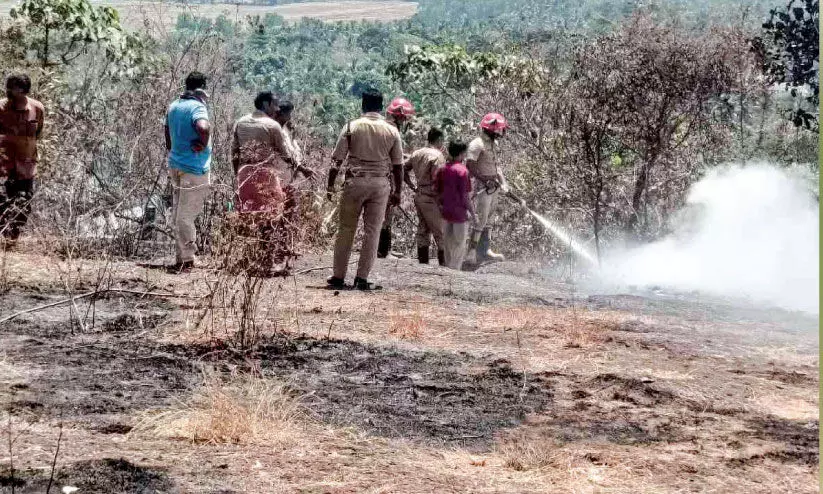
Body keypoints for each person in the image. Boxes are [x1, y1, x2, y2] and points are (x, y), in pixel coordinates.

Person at [326, 89, 403, 290]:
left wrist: (330, 184)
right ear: (381, 106)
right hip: (380, 184)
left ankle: (338, 276)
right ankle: (361, 278)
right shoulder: (392, 131)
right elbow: (398, 165)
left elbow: (337, 160)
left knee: (346, 229)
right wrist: (398, 192)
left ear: (363, 105)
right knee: (373, 231)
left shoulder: (352, 126)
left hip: (355, 182)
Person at [164, 71, 212, 273]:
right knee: (185, 216)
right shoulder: (197, 107)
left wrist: (176, 149)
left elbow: (166, 134)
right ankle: (187, 259)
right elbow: (203, 126)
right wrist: (202, 142)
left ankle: (182, 256)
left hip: (176, 165)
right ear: (202, 87)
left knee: (178, 214)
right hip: (194, 168)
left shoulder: (173, 106)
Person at [0, 74, 45, 245]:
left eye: (14, 88)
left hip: (26, 165)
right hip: (3, 165)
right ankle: (5, 234)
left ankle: (13, 238)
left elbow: (38, 132)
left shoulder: (37, 108)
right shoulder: (1, 108)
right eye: (8, 86)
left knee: (24, 203)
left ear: (23, 90)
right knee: (3, 201)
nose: (9, 90)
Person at [464, 112, 509, 266]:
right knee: (480, 219)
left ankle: (485, 251)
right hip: (483, 187)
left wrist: (503, 183)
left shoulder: (493, 144)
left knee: (489, 219)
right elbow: (469, 166)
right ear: (492, 129)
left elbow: (498, 167)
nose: (501, 133)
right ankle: (471, 252)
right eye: (499, 129)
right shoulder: (477, 144)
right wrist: (485, 180)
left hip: (494, 186)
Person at [377, 96, 415, 259]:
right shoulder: (394, 131)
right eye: (405, 117)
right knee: (386, 214)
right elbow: (397, 163)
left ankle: (384, 249)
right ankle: (382, 251)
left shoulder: (382, 127)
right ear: (400, 116)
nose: (406, 120)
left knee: (383, 214)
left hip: (379, 173)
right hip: (387, 177)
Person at [404, 127, 446, 265]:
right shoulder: (437, 156)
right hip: (432, 196)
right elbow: (438, 180)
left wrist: (412, 185)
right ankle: (444, 263)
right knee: (440, 230)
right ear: (439, 139)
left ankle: (423, 262)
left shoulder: (417, 153)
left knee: (423, 228)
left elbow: (402, 169)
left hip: (420, 194)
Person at [435, 141, 473, 270]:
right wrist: (473, 213)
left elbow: (437, 192)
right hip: (460, 214)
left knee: (447, 242)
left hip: (445, 212)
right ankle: (455, 269)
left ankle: (447, 267)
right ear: (462, 154)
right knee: (459, 243)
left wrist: (440, 207)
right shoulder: (463, 171)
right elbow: (465, 197)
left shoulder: (442, 169)